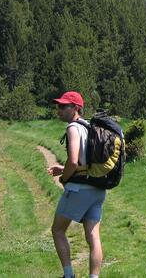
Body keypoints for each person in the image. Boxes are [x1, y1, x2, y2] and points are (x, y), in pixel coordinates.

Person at [48, 91, 106, 278]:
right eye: (59, 106)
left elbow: (74, 162)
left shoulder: (73, 127)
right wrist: (62, 168)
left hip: (79, 189)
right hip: (97, 188)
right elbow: (84, 162)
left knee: (57, 230)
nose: (59, 110)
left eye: (64, 106)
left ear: (76, 108)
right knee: (93, 237)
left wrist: (64, 178)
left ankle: (68, 275)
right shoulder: (89, 127)